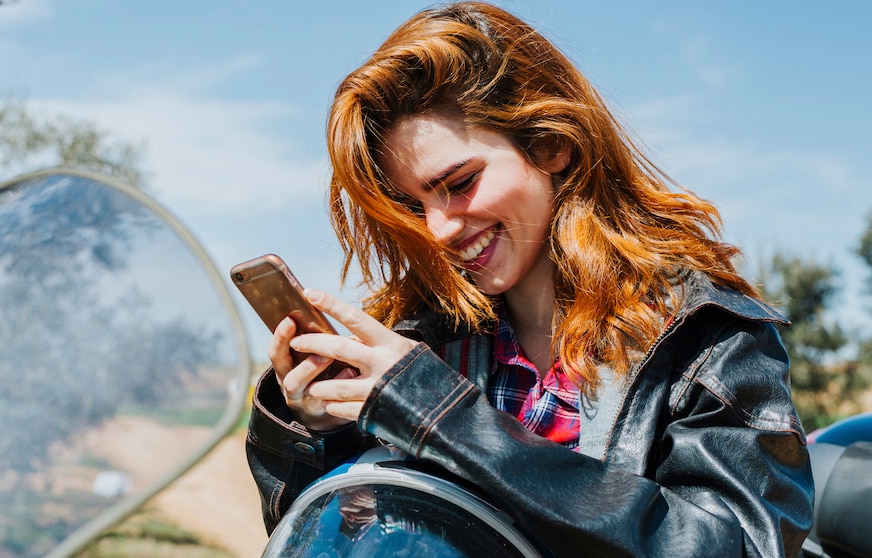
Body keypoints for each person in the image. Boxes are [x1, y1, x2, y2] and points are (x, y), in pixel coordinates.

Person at [246, 2, 814, 556]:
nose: (439, 229)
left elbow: (737, 545)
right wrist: (321, 432)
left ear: (551, 142)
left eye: (460, 182)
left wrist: (440, 414)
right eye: (415, 205)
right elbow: (345, 535)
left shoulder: (708, 339)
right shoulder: (420, 338)